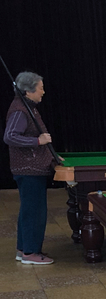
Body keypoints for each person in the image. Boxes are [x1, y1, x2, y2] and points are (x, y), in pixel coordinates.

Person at [4, 71, 57, 265]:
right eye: (40, 88)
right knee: (34, 212)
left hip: (32, 169)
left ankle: (23, 249)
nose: (43, 92)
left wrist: (51, 154)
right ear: (28, 91)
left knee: (29, 210)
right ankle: (30, 252)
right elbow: (10, 136)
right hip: (28, 170)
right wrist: (38, 141)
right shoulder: (20, 110)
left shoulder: (28, 106)